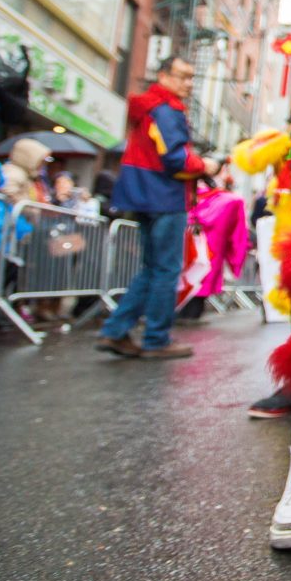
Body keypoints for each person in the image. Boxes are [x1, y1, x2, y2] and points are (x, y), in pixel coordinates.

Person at [95, 57, 218, 360]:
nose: (189, 83)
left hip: (145, 193)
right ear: (163, 76)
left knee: (153, 268)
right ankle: (156, 338)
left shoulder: (152, 108)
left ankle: (116, 330)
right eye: (183, 76)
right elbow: (177, 160)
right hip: (163, 196)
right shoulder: (165, 109)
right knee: (166, 269)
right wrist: (206, 165)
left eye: (191, 77)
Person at [176, 178, 249, 323]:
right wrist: (236, 259)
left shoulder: (181, 196)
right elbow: (238, 236)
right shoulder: (229, 201)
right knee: (201, 282)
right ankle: (190, 316)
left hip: (188, 252)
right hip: (211, 254)